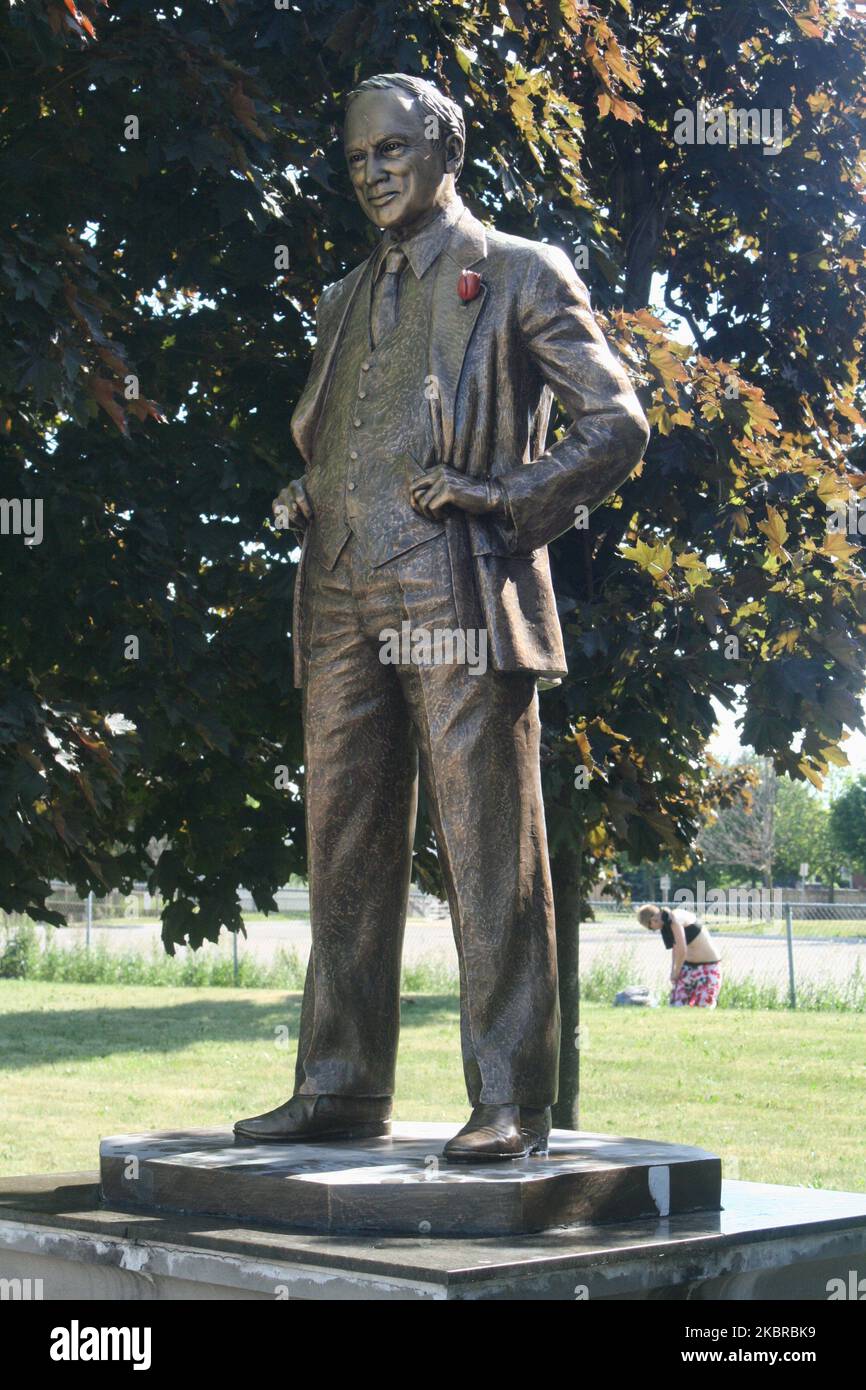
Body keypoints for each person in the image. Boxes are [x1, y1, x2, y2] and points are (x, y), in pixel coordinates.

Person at [233, 72, 649, 1161]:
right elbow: (331, 435)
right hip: (336, 587)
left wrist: (508, 499)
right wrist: (308, 488)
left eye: (391, 150)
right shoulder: (338, 300)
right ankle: (336, 1082)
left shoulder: (515, 274)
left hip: (455, 583)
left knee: (484, 840)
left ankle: (510, 1096)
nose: (371, 172)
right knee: (342, 842)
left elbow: (614, 426)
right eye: (356, 157)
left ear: (444, 148)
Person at [636, 904, 722, 1008]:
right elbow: (675, 948)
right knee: (676, 1005)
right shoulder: (665, 924)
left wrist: (676, 972)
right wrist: (673, 971)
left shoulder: (674, 918)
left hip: (708, 968)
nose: (654, 930)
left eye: (651, 929)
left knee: (703, 1007)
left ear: (653, 920)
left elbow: (682, 950)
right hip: (687, 966)